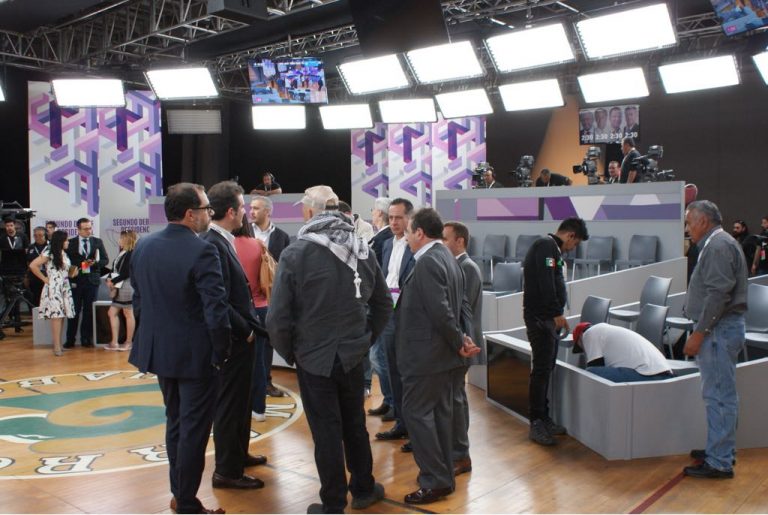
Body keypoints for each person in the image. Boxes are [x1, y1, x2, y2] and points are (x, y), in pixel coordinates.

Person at [267, 185, 391, 514]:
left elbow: (278, 317)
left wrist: (292, 354)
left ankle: (333, 503)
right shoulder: (363, 249)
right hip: (352, 355)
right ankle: (363, 489)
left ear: (311, 212)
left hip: (314, 358)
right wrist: (365, 339)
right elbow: (383, 305)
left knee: (326, 432)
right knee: (354, 424)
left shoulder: (296, 252)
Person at [128, 183, 229, 514]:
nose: (209, 216)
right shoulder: (202, 249)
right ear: (190, 214)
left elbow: (139, 300)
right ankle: (186, 501)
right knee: (194, 431)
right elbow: (216, 309)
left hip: (161, 352)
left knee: (175, 422)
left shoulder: (144, 245)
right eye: (205, 209)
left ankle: (179, 492)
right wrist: (221, 352)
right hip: (197, 357)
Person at [397, 208, 480, 505]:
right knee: (442, 417)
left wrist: (460, 341)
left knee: (417, 415)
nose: (405, 237)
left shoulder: (429, 261)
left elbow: (441, 311)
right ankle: (442, 475)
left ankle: (435, 480)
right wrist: (462, 339)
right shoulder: (446, 256)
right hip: (441, 356)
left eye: (408, 232)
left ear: (420, 233)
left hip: (427, 357)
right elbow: (456, 308)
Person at [202, 181, 268, 491]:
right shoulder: (212, 244)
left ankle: (238, 454)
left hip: (241, 337)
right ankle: (227, 470)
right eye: (242, 207)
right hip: (234, 339)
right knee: (230, 405)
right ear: (231, 211)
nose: (246, 213)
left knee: (241, 401)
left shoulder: (223, 239)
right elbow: (218, 300)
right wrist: (246, 331)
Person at [682, 200, 747, 479]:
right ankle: (719, 449)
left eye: (688, 222)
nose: (687, 228)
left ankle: (719, 461)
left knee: (719, 396)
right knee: (719, 395)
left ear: (703, 222)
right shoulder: (717, 243)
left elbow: (718, 294)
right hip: (718, 330)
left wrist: (699, 333)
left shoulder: (719, 246)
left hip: (718, 331)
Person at [524, 217, 589, 446]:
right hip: (541, 319)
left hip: (546, 319)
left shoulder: (552, 249)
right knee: (541, 370)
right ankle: (536, 422)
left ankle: (544, 417)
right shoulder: (546, 246)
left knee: (546, 368)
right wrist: (556, 313)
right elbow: (545, 283)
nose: (574, 247)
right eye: (576, 242)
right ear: (570, 235)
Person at [442, 221, 484, 477]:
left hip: (463, 345)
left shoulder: (466, 268)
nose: (442, 244)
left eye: (446, 239)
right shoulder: (458, 266)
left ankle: (461, 455)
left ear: (460, 241)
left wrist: (460, 342)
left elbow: (461, 313)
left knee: (457, 400)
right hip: (460, 344)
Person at [374, 198, 416, 441]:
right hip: (388, 310)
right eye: (390, 217)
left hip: (407, 312)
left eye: (398, 217)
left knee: (406, 371)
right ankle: (401, 421)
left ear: (409, 218)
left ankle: (411, 425)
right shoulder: (388, 244)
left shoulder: (415, 245)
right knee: (390, 367)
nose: (393, 222)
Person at [250, 194, 291, 398]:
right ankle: (249, 384)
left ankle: (266, 382)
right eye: (251, 207)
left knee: (267, 342)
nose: (252, 211)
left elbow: (284, 268)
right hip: (248, 297)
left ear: (268, 211)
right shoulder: (244, 233)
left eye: (256, 208)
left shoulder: (282, 236)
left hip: (270, 298)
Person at [233, 214, 269, 424]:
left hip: (239, 311)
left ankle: (240, 407)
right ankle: (259, 408)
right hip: (262, 307)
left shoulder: (225, 246)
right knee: (260, 363)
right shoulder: (259, 244)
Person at [571, 322, 674, 382]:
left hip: (648, 375)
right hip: (664, 372)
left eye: (581, 348)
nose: (585, 352)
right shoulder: (606, 331)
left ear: (580, 337)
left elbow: (595, 369)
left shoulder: (589, 334)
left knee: (590, 374)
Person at [28, 230, 76, 356]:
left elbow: (65, 270)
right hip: (54, 288)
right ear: (60, 241)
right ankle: (56, 347)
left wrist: (73, 273)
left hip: (64, 286)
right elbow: (33, 265)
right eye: (66, 240)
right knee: (56, 317)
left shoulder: (63, 253)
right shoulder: (48, 251)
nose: (68, 242)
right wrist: (44, 279)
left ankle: (59, 344)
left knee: (61, 316)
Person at [65, 218, 108, 348]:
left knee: (89, 311)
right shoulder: (70, 243)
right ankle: (70, 339)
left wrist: (95, 264)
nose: (89, 231)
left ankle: (86, 338)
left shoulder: (97, 242)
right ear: (78, 229)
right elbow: (66, 262)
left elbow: (105, 260)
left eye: (90, 228)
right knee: (74, 311)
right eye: (85, 229)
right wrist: (80, 266)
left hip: (92, 281)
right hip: (76, 281)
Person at [105, 230, 137, 352]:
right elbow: (115, 269)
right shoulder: (122, 253)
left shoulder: (131, 253)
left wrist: (112, 281)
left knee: (128, 313)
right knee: (112, 312)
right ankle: (115, 342)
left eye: (121, 238)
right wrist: (109, 278)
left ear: (127, 239)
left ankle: (128, 342)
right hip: (118, 285)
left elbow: (126, 272)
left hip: (126, 286)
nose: (119, 240)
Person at [26, 226, 48, 307]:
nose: (37, 237)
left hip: (47, 276)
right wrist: (27, 276)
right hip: (34, 276)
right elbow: (28, 262)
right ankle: (36, 317)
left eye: (40, 235)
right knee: (35, 298)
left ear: (45, 235)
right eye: (35, 235)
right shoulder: (31, 247)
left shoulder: (51, 246)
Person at [369, 197, 392, 267]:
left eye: (373, 209)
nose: (372, 212)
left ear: (379, 213)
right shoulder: (388, 235)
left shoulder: (383, 238)